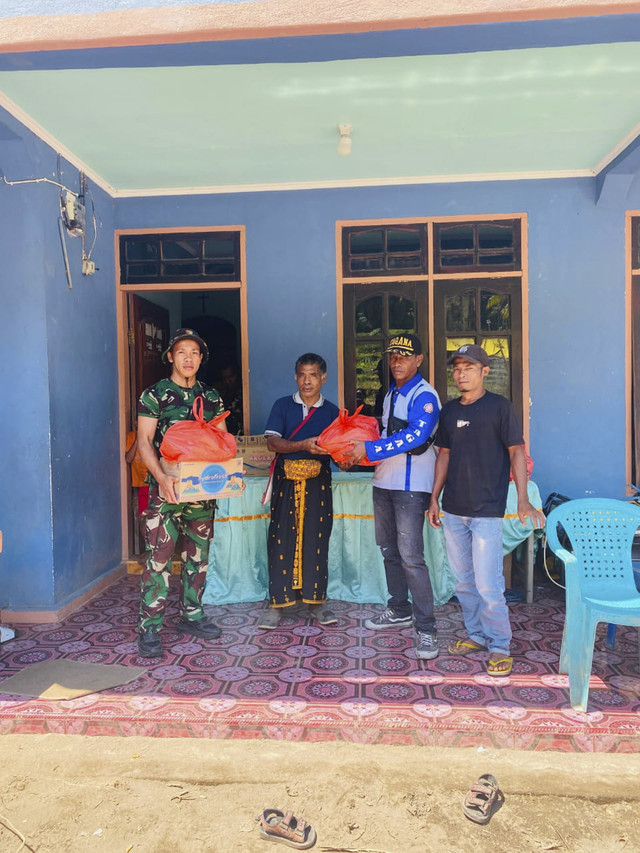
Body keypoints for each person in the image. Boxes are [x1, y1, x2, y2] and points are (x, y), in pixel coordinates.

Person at [427, 344, 545, 676]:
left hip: (487, 511)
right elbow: (444, 457)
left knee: (488, 583)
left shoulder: (500, 408)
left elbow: (516, 453)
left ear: (484, 371)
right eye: (457, 368)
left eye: (468, 367)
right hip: (453, 510)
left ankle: (499, 645)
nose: (461, 373)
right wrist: (434, 498)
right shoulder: (448, 412)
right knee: (463, 582)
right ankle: (477, 635)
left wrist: (522, 499)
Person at [345, 334, 441, 660]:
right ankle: (399, 607)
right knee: (389, 550)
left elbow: (417, 435)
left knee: (412, 556)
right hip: (385, 481)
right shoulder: (390, 394)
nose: (397, 361)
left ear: (419, 359)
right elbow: (384, 433)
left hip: (412, 486)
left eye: (404, 355)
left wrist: (368, 449)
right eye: (393, 356)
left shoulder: (425, 395)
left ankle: (426, 630)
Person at [135, 328, 227, 658]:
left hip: (200, 493)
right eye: (182, 352)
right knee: (159, 559)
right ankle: (149, 628)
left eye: (195, 352)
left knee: (197, 557)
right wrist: (161, 478)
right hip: (166, 490)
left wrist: (223, 478)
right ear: (170, 357)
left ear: (201, 359)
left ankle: (192, 615)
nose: (188, 358)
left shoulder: (211, 397)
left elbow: (221, 443)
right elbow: (144, 442)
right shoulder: (155, 394)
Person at [259, 353, 340, 630]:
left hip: (318, 483)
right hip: (286, 482)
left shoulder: (332, 412)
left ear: (323, 378)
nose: (307, 381)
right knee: (280, 539)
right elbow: (272, 443)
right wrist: (304, 444)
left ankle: (317, 603)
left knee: (316, 540)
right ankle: (276, 604)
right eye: (302, 375)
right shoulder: (283, 406)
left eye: (313, 375)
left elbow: (339, 450)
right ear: (296, 377)